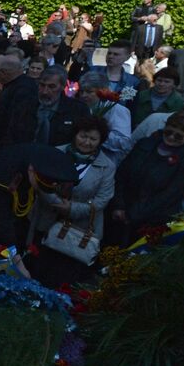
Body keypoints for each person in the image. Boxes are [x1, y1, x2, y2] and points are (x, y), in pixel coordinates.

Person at [27, 115, 115, 286]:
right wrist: (57, 203)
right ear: (75, 134)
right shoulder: (56, 153)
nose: (87, 142)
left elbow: (103, 199)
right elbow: (42, 183)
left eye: (93, 139)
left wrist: (72, 209)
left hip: (77, 232)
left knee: (64, 279)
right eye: (83, 136)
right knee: (37, 270)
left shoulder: (107, 166)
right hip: (46, 222)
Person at [111, 111, 184, 243]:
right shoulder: (145, 144)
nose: (171, 137)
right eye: (168, 132)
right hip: (121, 211)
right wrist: (118, 205)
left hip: (153, 221)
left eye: (178, 136)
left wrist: (133, 215)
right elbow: (122, 174)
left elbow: (171, 194)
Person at [0, 49, 37, 149]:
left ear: (4, 72)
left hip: (6, 147)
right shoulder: (15, 85)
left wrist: (1, 146)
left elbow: (17, 123)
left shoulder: (23, 91)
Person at [31, 67, 90, 147]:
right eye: (42, 85)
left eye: (51, 87)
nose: (45, 91)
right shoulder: (27, 104)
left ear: (63, 86)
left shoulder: (78, 110)